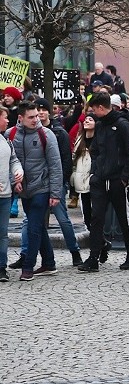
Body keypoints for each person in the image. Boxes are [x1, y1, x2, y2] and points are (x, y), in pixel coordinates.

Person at [77, 92, 129, 273]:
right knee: (96, 219)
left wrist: (124, 178)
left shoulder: (122, 125)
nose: (92, 113)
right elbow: (95, 149)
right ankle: (94, 257)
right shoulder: (101, 125)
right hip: (100, 179)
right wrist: (96, 171)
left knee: (123, 218)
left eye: (94, 109)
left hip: (117, 180)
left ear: (101, 108)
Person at [7, 102, 63, 281]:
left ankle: (28, 267)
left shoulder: (46, 134)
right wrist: (13, 182)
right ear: (20, 118)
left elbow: (55, 165)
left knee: (33, 228)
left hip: (42, 188)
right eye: (31, 117)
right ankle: (49, 263)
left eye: (37, 116)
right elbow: (8, 163)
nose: (36, 120)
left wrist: (55, 193)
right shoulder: (11, 135)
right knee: (37, 225)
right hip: (24, 191)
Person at [0, 106, 22, 282]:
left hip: (5, 195)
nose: (8, 121)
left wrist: (18, 171)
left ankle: (1, 267)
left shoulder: (6, 140)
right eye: (5, 117)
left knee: (3, 233)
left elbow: (13, 159)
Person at [71, 112, 95, 232]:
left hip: (95, 179)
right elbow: (74, 160)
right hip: (81, 180)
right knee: (86, 211)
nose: (86, 121)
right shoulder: (80, 139)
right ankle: (90, 232)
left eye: (90, 119)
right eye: (85, 120)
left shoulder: (99, 139)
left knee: (96, 212)